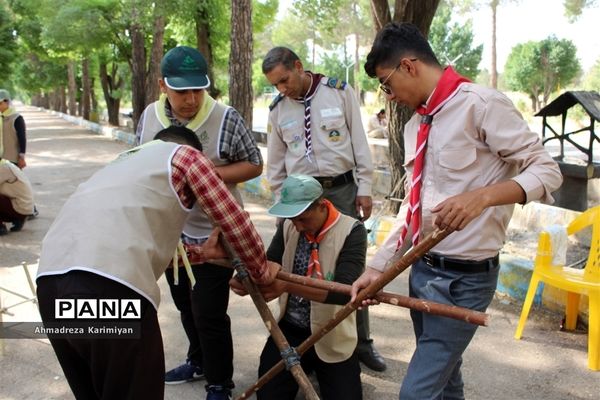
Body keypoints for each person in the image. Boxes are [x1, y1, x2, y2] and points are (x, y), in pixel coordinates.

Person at [350, 22, 562, 400]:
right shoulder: (416, 124)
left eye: (386, 83)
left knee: (416, 392)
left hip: (466, 280)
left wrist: (481, 197)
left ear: (409, 66)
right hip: (422, 269)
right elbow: (411, 210)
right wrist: (376, 268)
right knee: (446, 380)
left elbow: (547, 170)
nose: (388, 95)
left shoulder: (481, 105)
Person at [36, 126, 279, 400]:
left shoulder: (122, 164)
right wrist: (260, 273)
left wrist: (203, 253)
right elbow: (233, 220)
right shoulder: (187, 156)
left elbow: (136, 245)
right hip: (108, 292)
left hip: (50, 291)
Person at [136, 46, 263, 399]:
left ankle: (219, 382)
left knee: (208, 311)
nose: (191, 99)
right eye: (181, 91)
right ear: (162, 85)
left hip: (212, 232)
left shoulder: (225, 117)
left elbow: (253, 164)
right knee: (183, 304)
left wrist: (203, 174)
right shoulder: (149, 117)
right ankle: (197, 360)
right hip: (168, 233)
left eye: (198, 89)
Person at [262, 46, 386, 372]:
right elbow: (275, 164)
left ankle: (360, 344)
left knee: (350, 274)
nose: (282, 89)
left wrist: (366, 188)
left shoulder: (339, 93)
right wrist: (283, 202)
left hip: (340, 190)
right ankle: (306, 339)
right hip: (298, 200)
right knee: (298, 265)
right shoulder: (278, 110)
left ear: (299, 66)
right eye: (276, 85)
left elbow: (359, 142)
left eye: (285, 80)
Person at [231, 175, 365, 400]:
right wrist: (247, 279)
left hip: (332, 331)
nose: (298, 226)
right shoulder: (289, 224)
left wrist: (286, 286)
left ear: (322, 205)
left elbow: (343, 292)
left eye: (303, 218)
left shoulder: (352, 231)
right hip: (290, 327)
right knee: (268, 395)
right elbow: (271, 261)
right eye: (293, 219)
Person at [0, 159, 34, 235]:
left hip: (20, 208)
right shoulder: (6, 164)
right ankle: (18, 220)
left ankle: (1, 227)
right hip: (23, 207)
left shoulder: (3, 168)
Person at [0, 89, 27, 169]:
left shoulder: (17, 118)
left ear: (7, 102)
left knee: (13, 181)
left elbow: (22, 138)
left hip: (12, 160)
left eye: (0, 103)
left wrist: (22, 157)